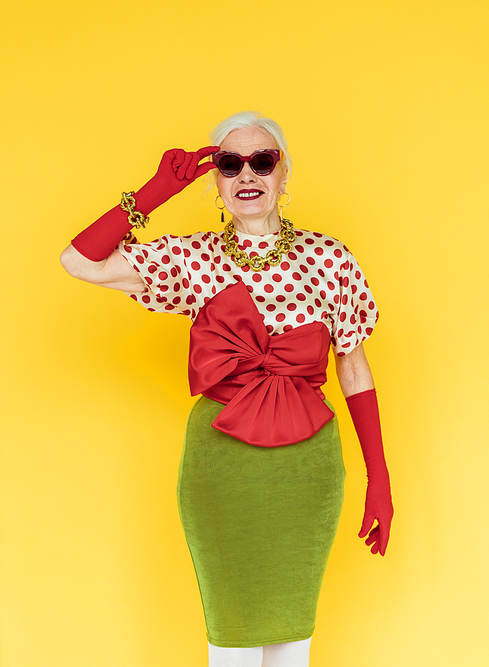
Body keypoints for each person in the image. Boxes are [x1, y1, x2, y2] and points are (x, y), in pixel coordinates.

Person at [60, 111, 393, 667]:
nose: (247, 174)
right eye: (229, 163)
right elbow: (79, 261)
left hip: (306, 471)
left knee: (293, 642)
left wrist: (378, 478)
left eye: (262, 161)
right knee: (230, 642)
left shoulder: (331, 259)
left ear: (284, 174)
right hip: (221, 464)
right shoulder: (190, 258)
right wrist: (154, 191)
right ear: (214, 180)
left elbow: (353, 366)